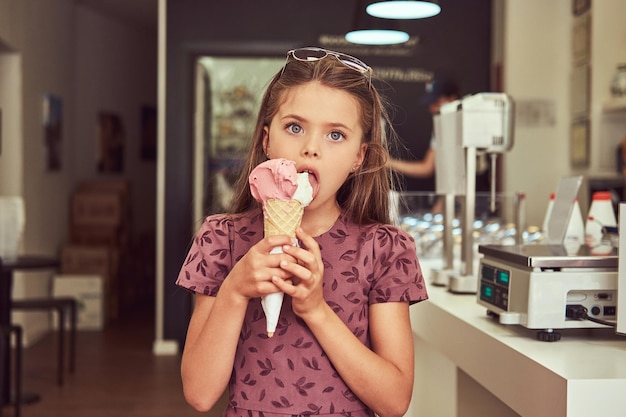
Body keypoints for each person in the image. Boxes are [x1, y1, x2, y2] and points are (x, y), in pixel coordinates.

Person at [176, 47, 428, 417]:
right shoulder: (221, 239)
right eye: (295, 127)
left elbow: (394, 402)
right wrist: (235, 289)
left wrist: (316, 310)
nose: (310, 149)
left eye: (336, 135)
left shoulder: (384, 249)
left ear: (359, 156)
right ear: (266, 140)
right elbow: (199, 394)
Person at [387, 76, 459, 178]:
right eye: (430, 104)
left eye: (436, 103)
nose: (432, 109)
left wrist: (389, 163)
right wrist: (389, 163)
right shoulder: (442, 126)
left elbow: (426, 168)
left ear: (452, 99)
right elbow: (427, 167)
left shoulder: (468, 122)